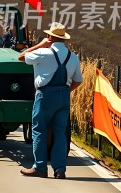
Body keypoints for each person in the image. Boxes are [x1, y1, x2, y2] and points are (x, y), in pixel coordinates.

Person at [19, 23, 83, 179]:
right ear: (63, 40)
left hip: (45, 95)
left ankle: (40, 167)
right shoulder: (72, 57)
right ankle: (60, 169)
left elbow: (20, 57)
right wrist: (65, 91)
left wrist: (40, 44)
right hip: (63, 96)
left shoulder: (43, 53)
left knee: (39, 130)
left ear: (50, 37)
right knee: (60, 133)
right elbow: (78, 80)